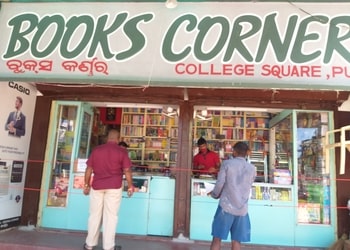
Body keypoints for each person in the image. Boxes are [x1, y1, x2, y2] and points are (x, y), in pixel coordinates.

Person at [83, 129, 134, 250]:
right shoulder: (121, 151)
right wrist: (131, 185)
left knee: (94, 215)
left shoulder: (97, 150)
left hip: (97, 186)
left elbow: (89, 169)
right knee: (110, 217)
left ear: (107, 138)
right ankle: (108, 247)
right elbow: (127, 170)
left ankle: (89, 244)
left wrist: (86, 185)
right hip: (114, 187)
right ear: (118, 138)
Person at [209, 142, 256, 250]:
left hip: (226, 206)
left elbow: (220, 183)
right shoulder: (252, 168)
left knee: (217, 238)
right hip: (242, 209)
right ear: (246, 153)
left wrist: (214, 194)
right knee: (236, 241)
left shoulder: (227, 164)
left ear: (234, 151)